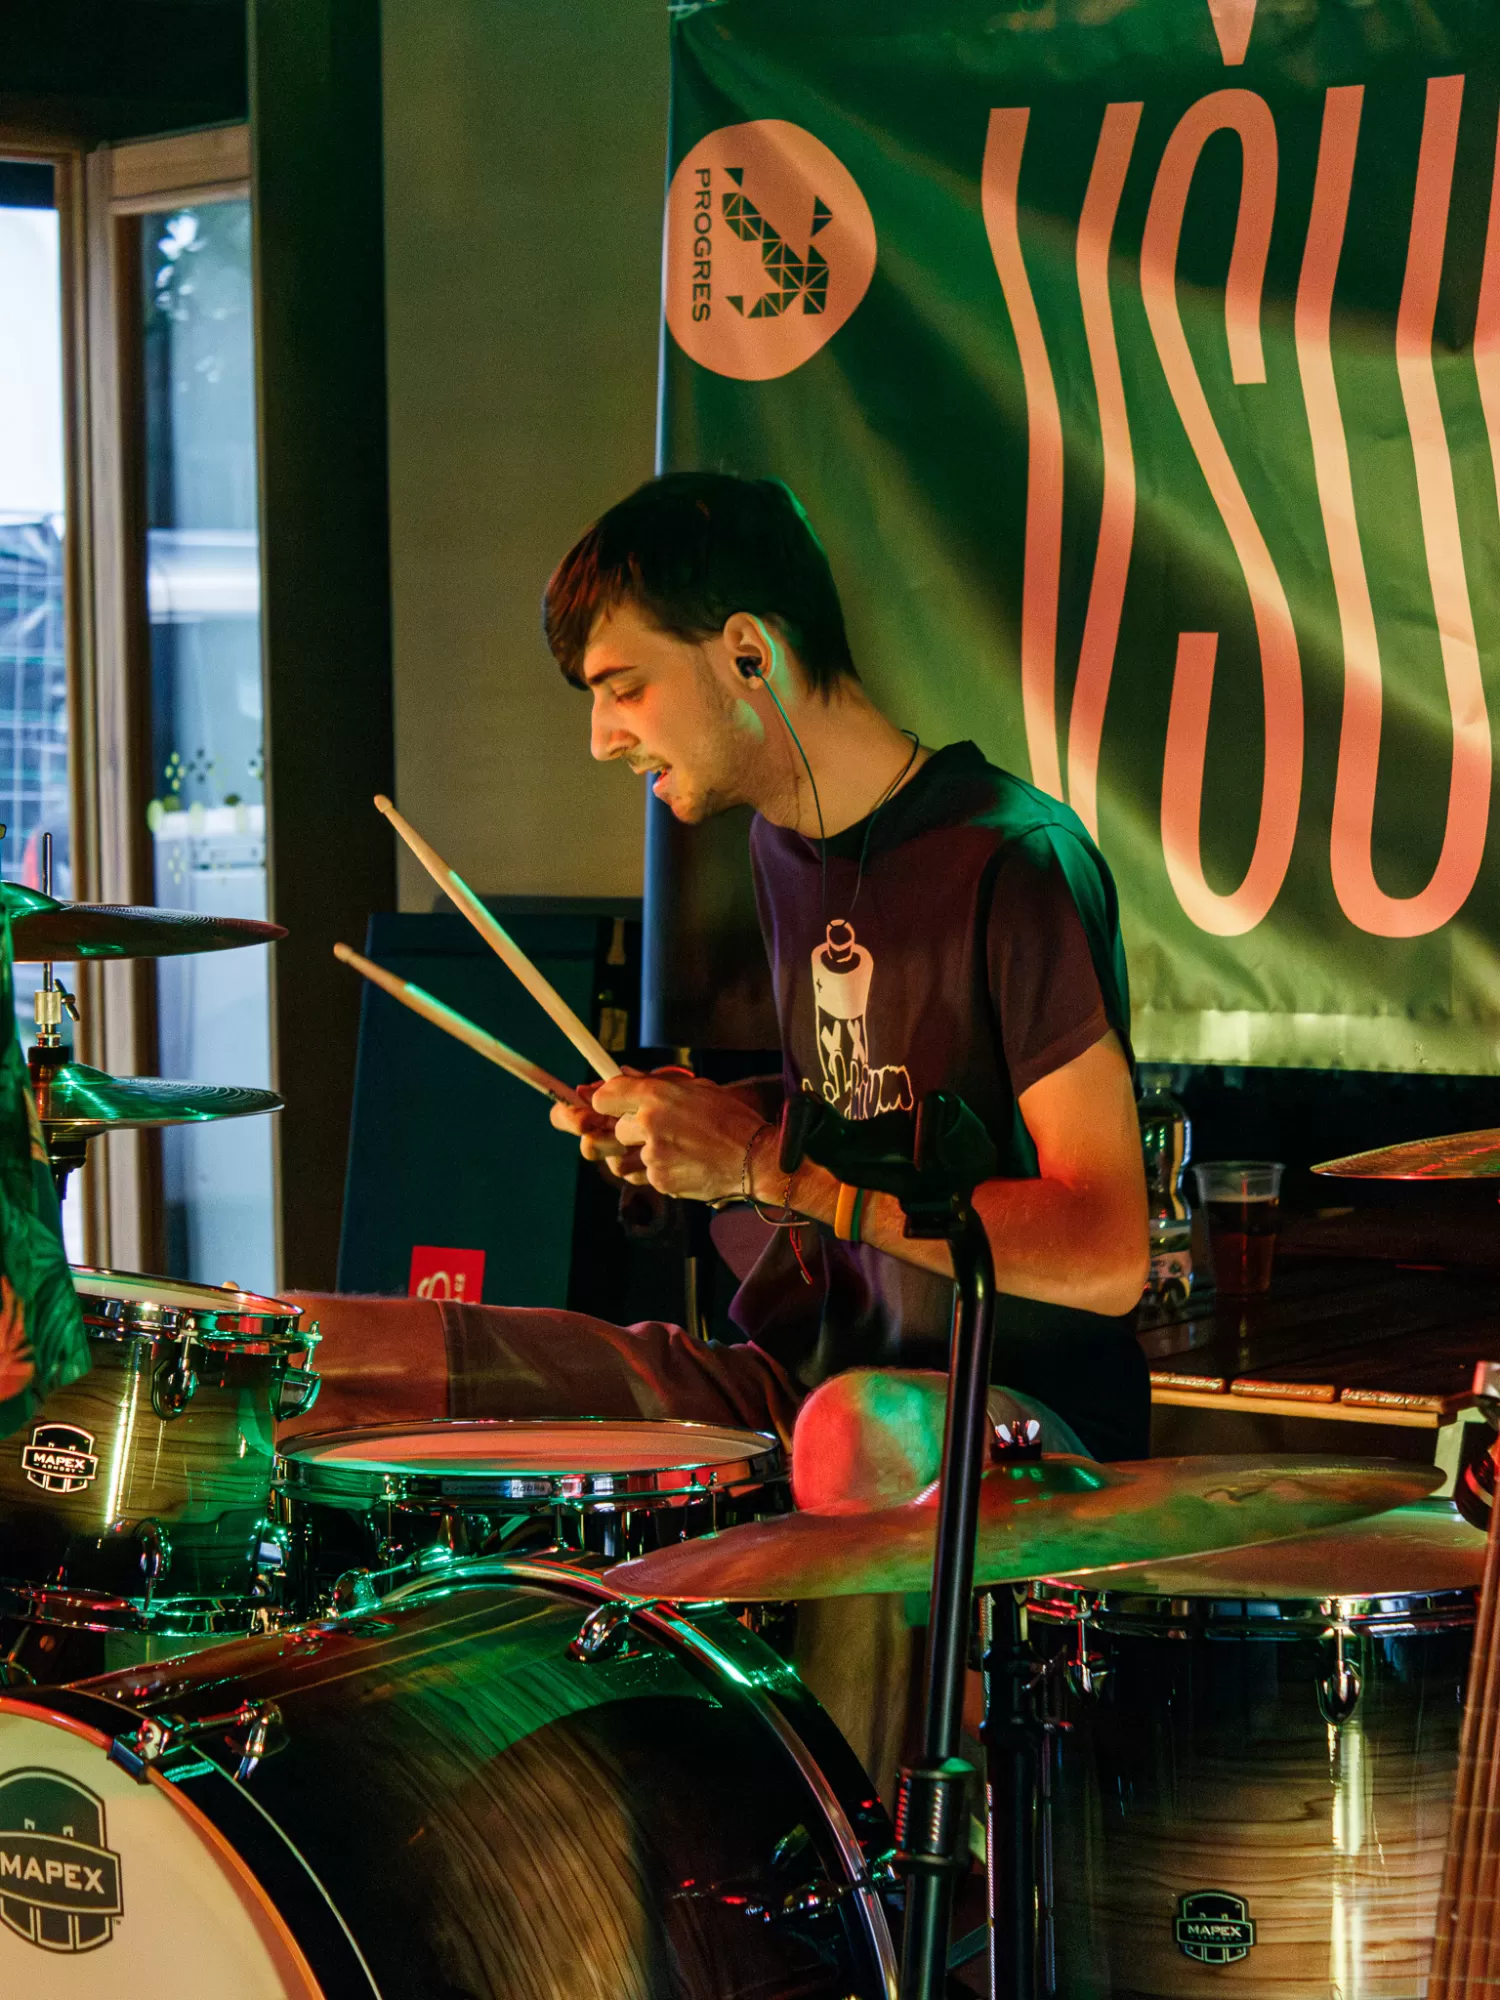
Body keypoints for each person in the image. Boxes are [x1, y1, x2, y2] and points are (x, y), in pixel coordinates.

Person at [541, 470, 1150, 1463]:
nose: (605, 739)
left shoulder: (1015, 855)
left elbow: (1107, 1247)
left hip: (1013, 1420)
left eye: (626, 688)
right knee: (409, 1361)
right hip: (826, 1384)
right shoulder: (778, 847)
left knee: (849, 1434)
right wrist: (703, 1127)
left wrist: (767, 1166)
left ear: (748, 651)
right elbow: (880, 1110)